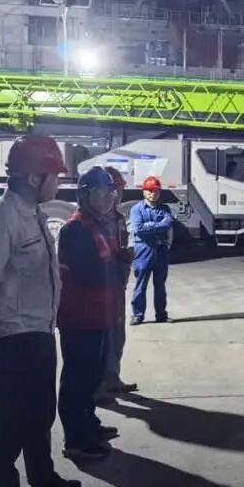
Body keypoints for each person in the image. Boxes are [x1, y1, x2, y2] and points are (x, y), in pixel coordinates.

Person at [0, 135, 80, 487]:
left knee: (39, 413)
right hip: (12, 336)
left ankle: (42, 481)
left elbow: (24, 269)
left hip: (38, 331)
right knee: (9, 421)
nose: (58, 183)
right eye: (54, 176)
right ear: (33, 177)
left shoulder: (33, 215)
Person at [57, 167, 122, 461]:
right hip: (80, 317)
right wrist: (113, 268)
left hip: (97, 315)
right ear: (85, 195)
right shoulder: (76, 228)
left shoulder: (95, 224)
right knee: (77, 380)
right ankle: (76, 439)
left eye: (111, 192)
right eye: (103, 191)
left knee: (92, 377)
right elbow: (88, 272)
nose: (109, 197)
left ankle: (89, 425)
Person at [95, 166, 137, 401]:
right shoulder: (93, 220)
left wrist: (124, 256)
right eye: (115, 188)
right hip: (99, 289)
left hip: (117, 284)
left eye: (121, 188)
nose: (119, 193)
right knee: (101, 337)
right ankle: (98, 385)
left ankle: (112, 377)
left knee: (117, 335)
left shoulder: (118, 218)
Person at [129, 176, 173, 325]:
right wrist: (157, 226)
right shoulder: (136, 209)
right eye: (149, 191)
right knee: (140, 284)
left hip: (161, 250)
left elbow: (167, 224)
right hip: (143, 249)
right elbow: (138, 228)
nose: (153, 193)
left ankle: (161, 315)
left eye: (155, 191)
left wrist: (148, 225)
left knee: (160, 284)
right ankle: (137, 315)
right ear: (144, 192)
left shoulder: (165, 209)